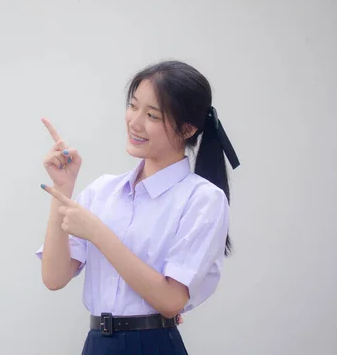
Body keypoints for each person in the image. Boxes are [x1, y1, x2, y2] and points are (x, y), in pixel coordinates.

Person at [35, 60, 240, 354]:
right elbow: (53, 278)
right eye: (133, 106)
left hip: (152, 343)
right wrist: (62, 189)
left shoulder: (202, 199)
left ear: (187, 129)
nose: (134, 121)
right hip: (96, 344)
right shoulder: (103, 191)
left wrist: (98, 233)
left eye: (152, 115)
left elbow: (171, 301)